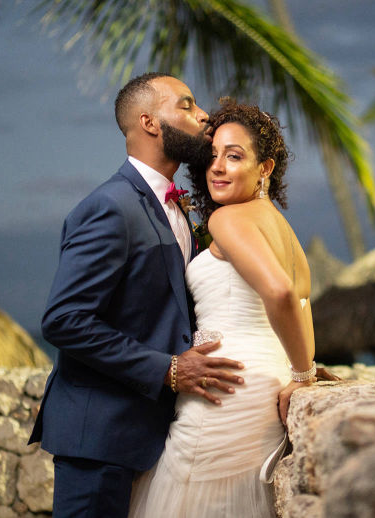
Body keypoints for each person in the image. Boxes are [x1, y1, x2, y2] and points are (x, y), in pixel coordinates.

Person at [28, 73, 246, 518]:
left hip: (155, 433)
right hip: (101, 436)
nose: (203, 114)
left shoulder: (177, 209)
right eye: (186, 105)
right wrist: (168, 369)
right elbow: (65, 320)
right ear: (149, 122)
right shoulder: (111, 206)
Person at [128, 101, 317, 517]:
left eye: (233, 156)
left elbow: (282, 294)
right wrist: (302, 369)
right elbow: (302, 304)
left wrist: (304, 376)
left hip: (226, 388)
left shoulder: (228, 220)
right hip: (267, 380)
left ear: (265, 168)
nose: (217, 166)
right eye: (212, 155)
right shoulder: (283, 229)